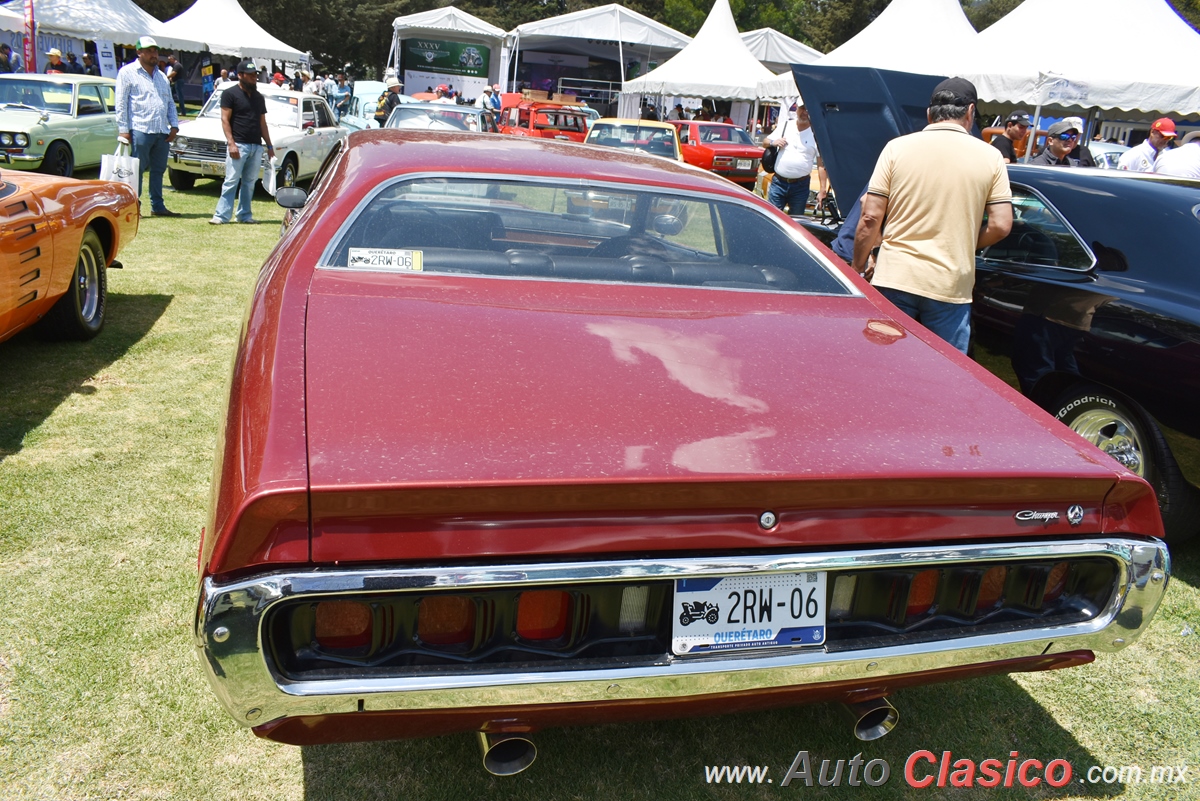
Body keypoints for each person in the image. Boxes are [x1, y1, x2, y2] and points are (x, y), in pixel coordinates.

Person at [851, 77, 1013, 355]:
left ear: (929, 113)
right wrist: (961, 243)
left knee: (885, 367)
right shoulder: (991, 156)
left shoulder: (896, 148)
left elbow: (870, 217)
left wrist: (856, 267)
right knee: (945, 378)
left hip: (895, 277)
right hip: (951, 284)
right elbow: (1000, 225)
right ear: (971, 112)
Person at [115, 36, 181, 217]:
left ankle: (157, 206)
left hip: (161, 130)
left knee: (158, 170)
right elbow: (120, 103)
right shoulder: (127, 72)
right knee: (136, 171)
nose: (154, 54)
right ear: (139, 52)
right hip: (140, 129)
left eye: (155, 51)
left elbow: (169, 102)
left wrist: (174, 125)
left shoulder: (161, 76)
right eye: (149, 51)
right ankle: (133, 206)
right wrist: (124, 129)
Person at [210, 60, 274, 225]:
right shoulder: (230, 94)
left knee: (250, 183)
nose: (254, 78)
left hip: (255, 145)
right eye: (250, 75)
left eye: (255, 75)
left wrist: (269, 145)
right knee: (231, 180)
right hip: (238, 144)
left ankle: (244, 215)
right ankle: (221, 215)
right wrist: (231, 143)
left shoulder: (259, 97)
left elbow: (262, 123)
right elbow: (225, 120)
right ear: (240, 75)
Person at [764, 102, 823, 215]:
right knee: (772, 218)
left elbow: (821, 165)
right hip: (779, 183)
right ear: (796, 109)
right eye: (802, 108)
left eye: (808, 108)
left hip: (800, 186)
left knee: (796, 222)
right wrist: (773, 142)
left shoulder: (816, 132)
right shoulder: (785, 125)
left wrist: (823, 189)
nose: (805, 112)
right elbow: (765, 142)